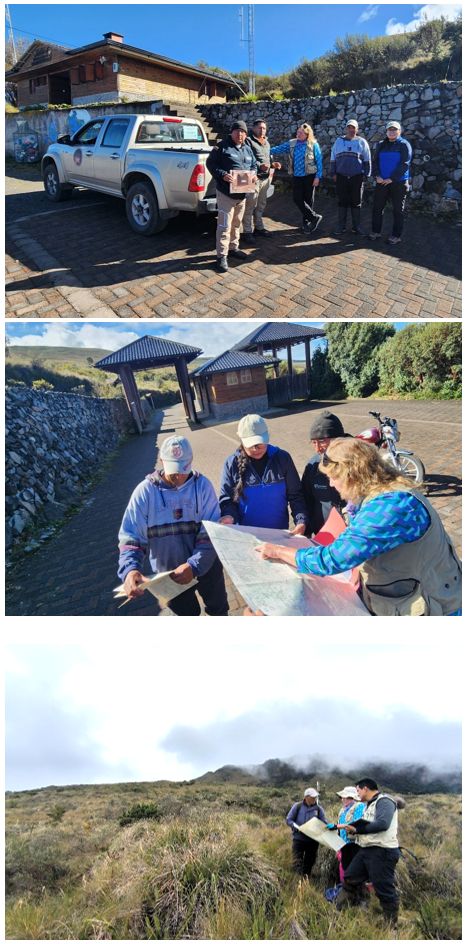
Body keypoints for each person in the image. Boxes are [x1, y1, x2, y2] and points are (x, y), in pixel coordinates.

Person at [255, 437, 462, 616]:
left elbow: (331, 559)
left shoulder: (391, 507)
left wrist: (278, 551)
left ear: (352, 475)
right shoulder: (383, 489)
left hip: (435, 607)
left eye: (333, 477)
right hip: (410, 593)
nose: (331, 485)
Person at [118, 435, 229, 616]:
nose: (178, 475)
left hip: (207, 566)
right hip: (168, 575)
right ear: (162, 461)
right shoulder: (144, 492)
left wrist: (194, 566)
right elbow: (132, 537)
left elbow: (210, 532)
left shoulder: (203, 486)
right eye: (172, 469)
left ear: (191, 461)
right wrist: (130, 569)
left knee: (219, 610)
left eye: (182, 468)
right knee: (186, 615)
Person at [219, 414, 308, 532]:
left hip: (279, 533)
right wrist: (229, 515)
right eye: (251, 445)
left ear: (267, 437)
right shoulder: (231, 464)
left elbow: (295, 494)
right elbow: (227, 499)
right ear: (241, 440)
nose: (256, 449)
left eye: (259, 443)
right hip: (248, 534)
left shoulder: (282, 458)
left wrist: (300, 519)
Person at [335, 778, 400, 925]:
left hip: (382, 851)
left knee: (383, 887)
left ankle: (391, 925)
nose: (357, 794)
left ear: (365, 788)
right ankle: (342, 909)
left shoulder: (384, 801)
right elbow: (367, 827)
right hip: (366, 850)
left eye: (358, 790)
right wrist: (352, 830)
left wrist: (357, 829)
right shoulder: (368, 805)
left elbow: (383, 824)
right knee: (350, 877)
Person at [209, 120, 257, 273]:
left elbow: (253, 165)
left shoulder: (248, 149)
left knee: (236, 223)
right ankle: (221, 256)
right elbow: (211, 164)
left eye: (243, 132)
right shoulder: (222, 147)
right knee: (224, 226)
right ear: (232, 132)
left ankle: (233, 248)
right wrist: (223, 175)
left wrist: (254, 175)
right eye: (237, 131)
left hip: (241, 195)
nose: (240, 134)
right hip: (226, 194)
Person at [301, 410, 350, 536]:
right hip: (324, 536)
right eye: (313, 442)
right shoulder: (313, 467)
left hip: (353, 536)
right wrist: (305, 533)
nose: (317, 448)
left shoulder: (359, 464)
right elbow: (306, 501)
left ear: (339, 439)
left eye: (322, 441)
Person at [270, 123, 323, 234]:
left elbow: (319, 162)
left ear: (307, 134)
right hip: (297, 176)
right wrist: (264, 150)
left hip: (310, 176)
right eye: (298, 132)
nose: (298, 134)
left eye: (301, 132)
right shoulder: (292, 143)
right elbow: (278, 149)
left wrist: (318, 177)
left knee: (308, 200)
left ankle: (306, 224)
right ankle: (314, 218)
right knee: (297, 199)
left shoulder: (313, 144)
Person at [370, 120, 413, 245]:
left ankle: (396, 235)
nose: (392, 132)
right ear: (387, 131)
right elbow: (375, 161)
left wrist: (392, 178)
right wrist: (377, 175)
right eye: (390, 130)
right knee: (377, 208)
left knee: (398, 210)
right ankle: (376, 232)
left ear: (399, 131)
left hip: (398, 183)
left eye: (395, 130)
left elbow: (404, 164)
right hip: (381, 182)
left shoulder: (404, 144)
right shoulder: (381, 144)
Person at [242, 118, 282, 242]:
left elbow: (268, 159)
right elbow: (247, 158)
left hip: (265, 179)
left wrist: (273, 164)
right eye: (259, 127)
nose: (262, 130)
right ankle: (247, 231)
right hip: (252, 178)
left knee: (261, 205)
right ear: (253, 128)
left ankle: (259, 228)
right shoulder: (248, 141)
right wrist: (260, 165)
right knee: (250, 206)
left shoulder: (267, 142)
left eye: (264, 128)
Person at [330, 119, 371, 236]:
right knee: (342, 201)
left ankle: (356, 227)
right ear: (346, 128)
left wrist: (366, 174)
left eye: (353, 128)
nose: (351, 130)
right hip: (341, 176)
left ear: (357, 129)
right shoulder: (338, 141)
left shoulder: (362, 142)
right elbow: (333, 158)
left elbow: (367, 159)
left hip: (357, 177)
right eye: (349, 127)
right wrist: (333, 173)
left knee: (356, 202)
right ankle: (341, 226)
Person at [286, 788, 328, 878]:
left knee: (310, 861)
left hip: (313, 840)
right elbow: (289, 820)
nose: (315, 798)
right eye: (312, 797)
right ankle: (297, 880)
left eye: (315, 797)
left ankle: (306, 879)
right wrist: (296, 827)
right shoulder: (297, 806)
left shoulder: (319, 809)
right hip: (299, 839)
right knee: (297, 860)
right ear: (306, 797)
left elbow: (324, 822)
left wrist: (327, 827)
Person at [331, 787, 366, 882]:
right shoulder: (342, 810)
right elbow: (339, 830)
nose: (342, 799)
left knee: (354, 869)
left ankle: (355, 891)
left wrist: (337, 826)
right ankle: (345, 888)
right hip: (343, 844)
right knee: (343, 868)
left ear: (351, 797)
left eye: (345, 797)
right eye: (342, 797)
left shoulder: (359, 806)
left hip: (355, 844)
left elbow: (356, 823)